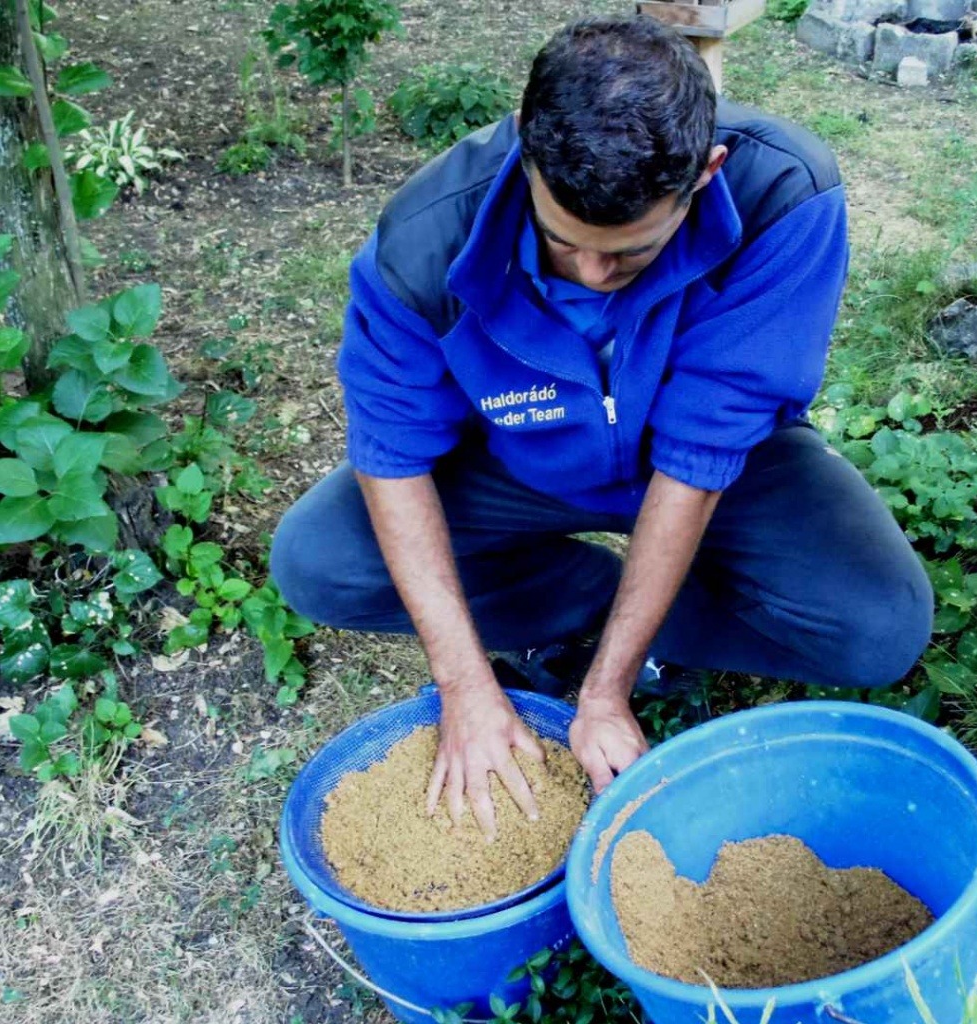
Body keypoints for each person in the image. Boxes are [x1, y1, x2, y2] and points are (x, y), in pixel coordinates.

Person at [271, 15, 933, 839]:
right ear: (526, 150)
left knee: (878, 629)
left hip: (716, 464)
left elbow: (701, 451)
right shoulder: (421, 243)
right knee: (317, 562)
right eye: (561, 243)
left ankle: (631, 637)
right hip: (515, 456)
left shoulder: (782, 197)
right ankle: (582, 603)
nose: (592, 274)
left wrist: (605, 691)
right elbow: (393, 457)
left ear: (704, 174)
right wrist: (464, 684)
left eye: (630, 254)